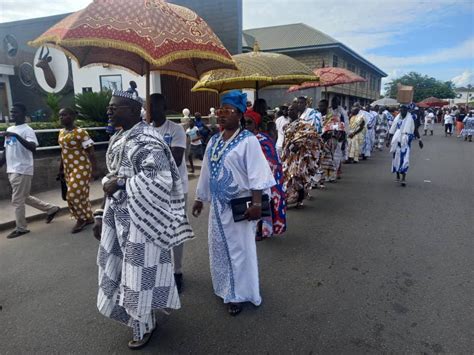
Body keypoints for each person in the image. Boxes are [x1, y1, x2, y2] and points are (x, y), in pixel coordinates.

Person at [92, 91, 193, 349]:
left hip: (143, 222)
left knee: (138, 277)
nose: (108, 112)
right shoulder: (117, 138)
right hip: (118, 219)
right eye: (109, 108)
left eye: (114, 108)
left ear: (132, 109)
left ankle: (143, 326)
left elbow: (160, 179)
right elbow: (111, 179)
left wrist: (122, 182)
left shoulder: (149, 139)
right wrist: (100, 214)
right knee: (118, 269)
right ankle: (136, 317)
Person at [192, 91, 275, 316]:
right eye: (220, 110)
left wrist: (257, 204)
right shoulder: (214, 141)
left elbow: (258, 174)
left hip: (241, 207)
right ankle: (224, 287)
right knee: (219, 248)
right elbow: (207, 172)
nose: (221, 115)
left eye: (227, 111)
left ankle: (238, 294)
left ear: (239, 114)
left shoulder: (248, 141)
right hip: (218, 208)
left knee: (239, 250)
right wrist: (200, 198)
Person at [0, 103, 60, 239]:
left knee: (17, 200)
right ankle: (51, 209)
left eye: (15, 112)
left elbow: (33, 148)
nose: (13, 114)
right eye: (12, 112)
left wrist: (16, 136)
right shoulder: (10, 128)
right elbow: (6, 150)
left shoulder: (27, 130)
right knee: (24, 197)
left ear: (23, 114)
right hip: (12, 169)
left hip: (22, 168)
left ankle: (21, 228)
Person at [150, 93, 189, 294]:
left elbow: (177, 159)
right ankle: (161, 270)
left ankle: (177, 271)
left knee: (176, 231)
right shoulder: (144, 131)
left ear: (164, 107)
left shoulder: (176, 130)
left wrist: (148, 158)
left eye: (156, 105)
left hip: (176, 189)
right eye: (149, 105)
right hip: (152, 191)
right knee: (156, 230)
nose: (152, 109)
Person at [244, 110, 287, 240]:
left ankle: (262, 230)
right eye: (244, 122)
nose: (246, 125)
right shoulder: (243, 139)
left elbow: (272, 161)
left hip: (265, 176)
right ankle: (254, 229)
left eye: (249, 122)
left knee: (262, 201)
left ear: (256, 125)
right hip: (248, 176)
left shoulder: (263, 139)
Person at [58, 108, 98, 233]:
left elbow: (90, 151)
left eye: (64, 115)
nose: (61, 117)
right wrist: (60, 169)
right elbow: (63, 152)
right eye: (60, 115)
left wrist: (95, 169)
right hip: (68, 168)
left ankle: (80, 219)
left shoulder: (81, 132)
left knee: (72, 195)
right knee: (81, 195)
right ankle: (89, 217)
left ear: (72, 116)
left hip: (82, 167)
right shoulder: (61, 132)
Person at [281, 103, 321, 208]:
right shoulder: (286, 125)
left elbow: (311, 135)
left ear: (298, 112)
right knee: (288, 176)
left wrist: (299, 144)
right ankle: (295, 198)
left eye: (292, 110)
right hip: (289, 155)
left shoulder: (304, 124)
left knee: (296, 176)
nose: (290, 112)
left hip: (300, 156)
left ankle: (296, 198)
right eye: (289, 110)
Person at [387, 104, 422, 187]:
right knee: (396, 158)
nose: (402, 111)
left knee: (405, 159)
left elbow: (415, 129)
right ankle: (398, 174)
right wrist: (388, 140)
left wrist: (420, 140)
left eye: (404, 110)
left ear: (407, 110)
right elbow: (392, 129)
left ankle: (403, 178)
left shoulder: (411, 118)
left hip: (406, 141)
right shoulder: (397, 118)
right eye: (401, 110)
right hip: (397, 140)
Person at [319, 99, 345, 182]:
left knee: (329, 157)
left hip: (330, 139)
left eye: (322, 106)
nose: (320, 107)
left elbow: (338, 128)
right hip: (320, 139)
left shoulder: (333, 116)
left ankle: (331, 175)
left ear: (326, 107)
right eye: (319, 106)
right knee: (324, 158)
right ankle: (326, 175)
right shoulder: (317, 115)